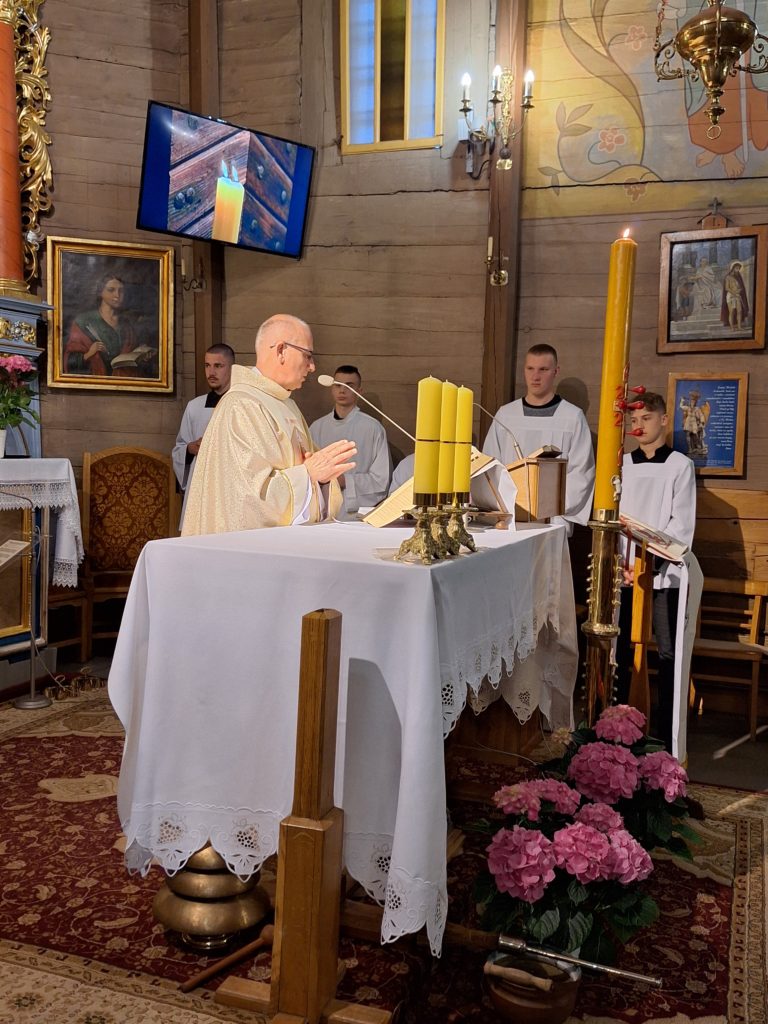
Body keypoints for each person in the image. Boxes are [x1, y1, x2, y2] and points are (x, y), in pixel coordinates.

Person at [182, 314, 356, 535]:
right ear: (281, 350)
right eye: (308, 356)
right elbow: (249, 501)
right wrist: (308, 475)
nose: (312, 366)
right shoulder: (241, 405)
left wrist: (321, 477)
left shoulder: (286, 404)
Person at [615, 393, 697, 752]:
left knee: (667, 654)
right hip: (625, 573)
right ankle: (617, 730)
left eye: (647, 418)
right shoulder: (622, 464)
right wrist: (622, 562)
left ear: (664, 420)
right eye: (635, 419)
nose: (639, 425)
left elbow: (681, 523)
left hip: (663, 575)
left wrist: (650, 562)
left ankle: (665, 736)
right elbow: (614, 517)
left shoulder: (679, 466)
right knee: (620, 650)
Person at [482, 343, 595, 534]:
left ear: (555, 371)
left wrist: (550, 507)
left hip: (552, 521)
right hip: (509, 518)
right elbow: (490, 465)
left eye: (543, 369)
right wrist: (504, 505)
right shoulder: (506, 415)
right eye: (530, 368)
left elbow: (581, 472)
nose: (535, 376)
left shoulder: (572, 417)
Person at [309, 365, 392, 512]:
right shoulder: (316, 428)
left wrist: (345, 480)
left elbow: (381, 481)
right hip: (321, 509)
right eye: (338, 385)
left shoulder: (372, 428)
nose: (342, 390)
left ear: (359, 391)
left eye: (349, 386)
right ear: (332, 389)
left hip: (355, 512)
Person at [172, 344, 235, 529]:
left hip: (230, 489)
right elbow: (179, 448)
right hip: (200, 490)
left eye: (218, 366)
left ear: (232, 368)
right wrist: (190, 449)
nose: (211, 372)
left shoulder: (242, 405)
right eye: (207, 365)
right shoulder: (195, 406)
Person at [63, 273, 155, 376]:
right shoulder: (84, 321)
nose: (117, 295)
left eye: (121, 291)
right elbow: (69, 363)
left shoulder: (126, 325)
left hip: (122, 381)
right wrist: (89, 353)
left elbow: (133, 360)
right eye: (111, 290)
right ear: (100, 292)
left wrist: (141, 356)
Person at [721, 260, 749, 330]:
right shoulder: (728, 277)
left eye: (739, 268)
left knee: (739, 311)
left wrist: (739, 290)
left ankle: (739, 327)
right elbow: (727, 288)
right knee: (732, 312)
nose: (738, 269)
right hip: (730, 296)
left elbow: (740, 287)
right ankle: (732, 327)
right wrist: (734, 293)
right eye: (736, 268)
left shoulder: (738, 277)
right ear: (733, 268)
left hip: (737, 296)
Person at [679, 391, 708, 457]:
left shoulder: (697, 409)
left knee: (695, 434)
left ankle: (698, 446)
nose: (692, 403)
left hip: (694, 423)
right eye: (691, 402)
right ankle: (690, 449)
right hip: (688, 422)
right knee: (688, 435)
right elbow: (681, 406)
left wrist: (702, 422)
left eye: (693, 402)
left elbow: (701, 415)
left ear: (695, 403)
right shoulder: (687, 408)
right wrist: (682, 400)